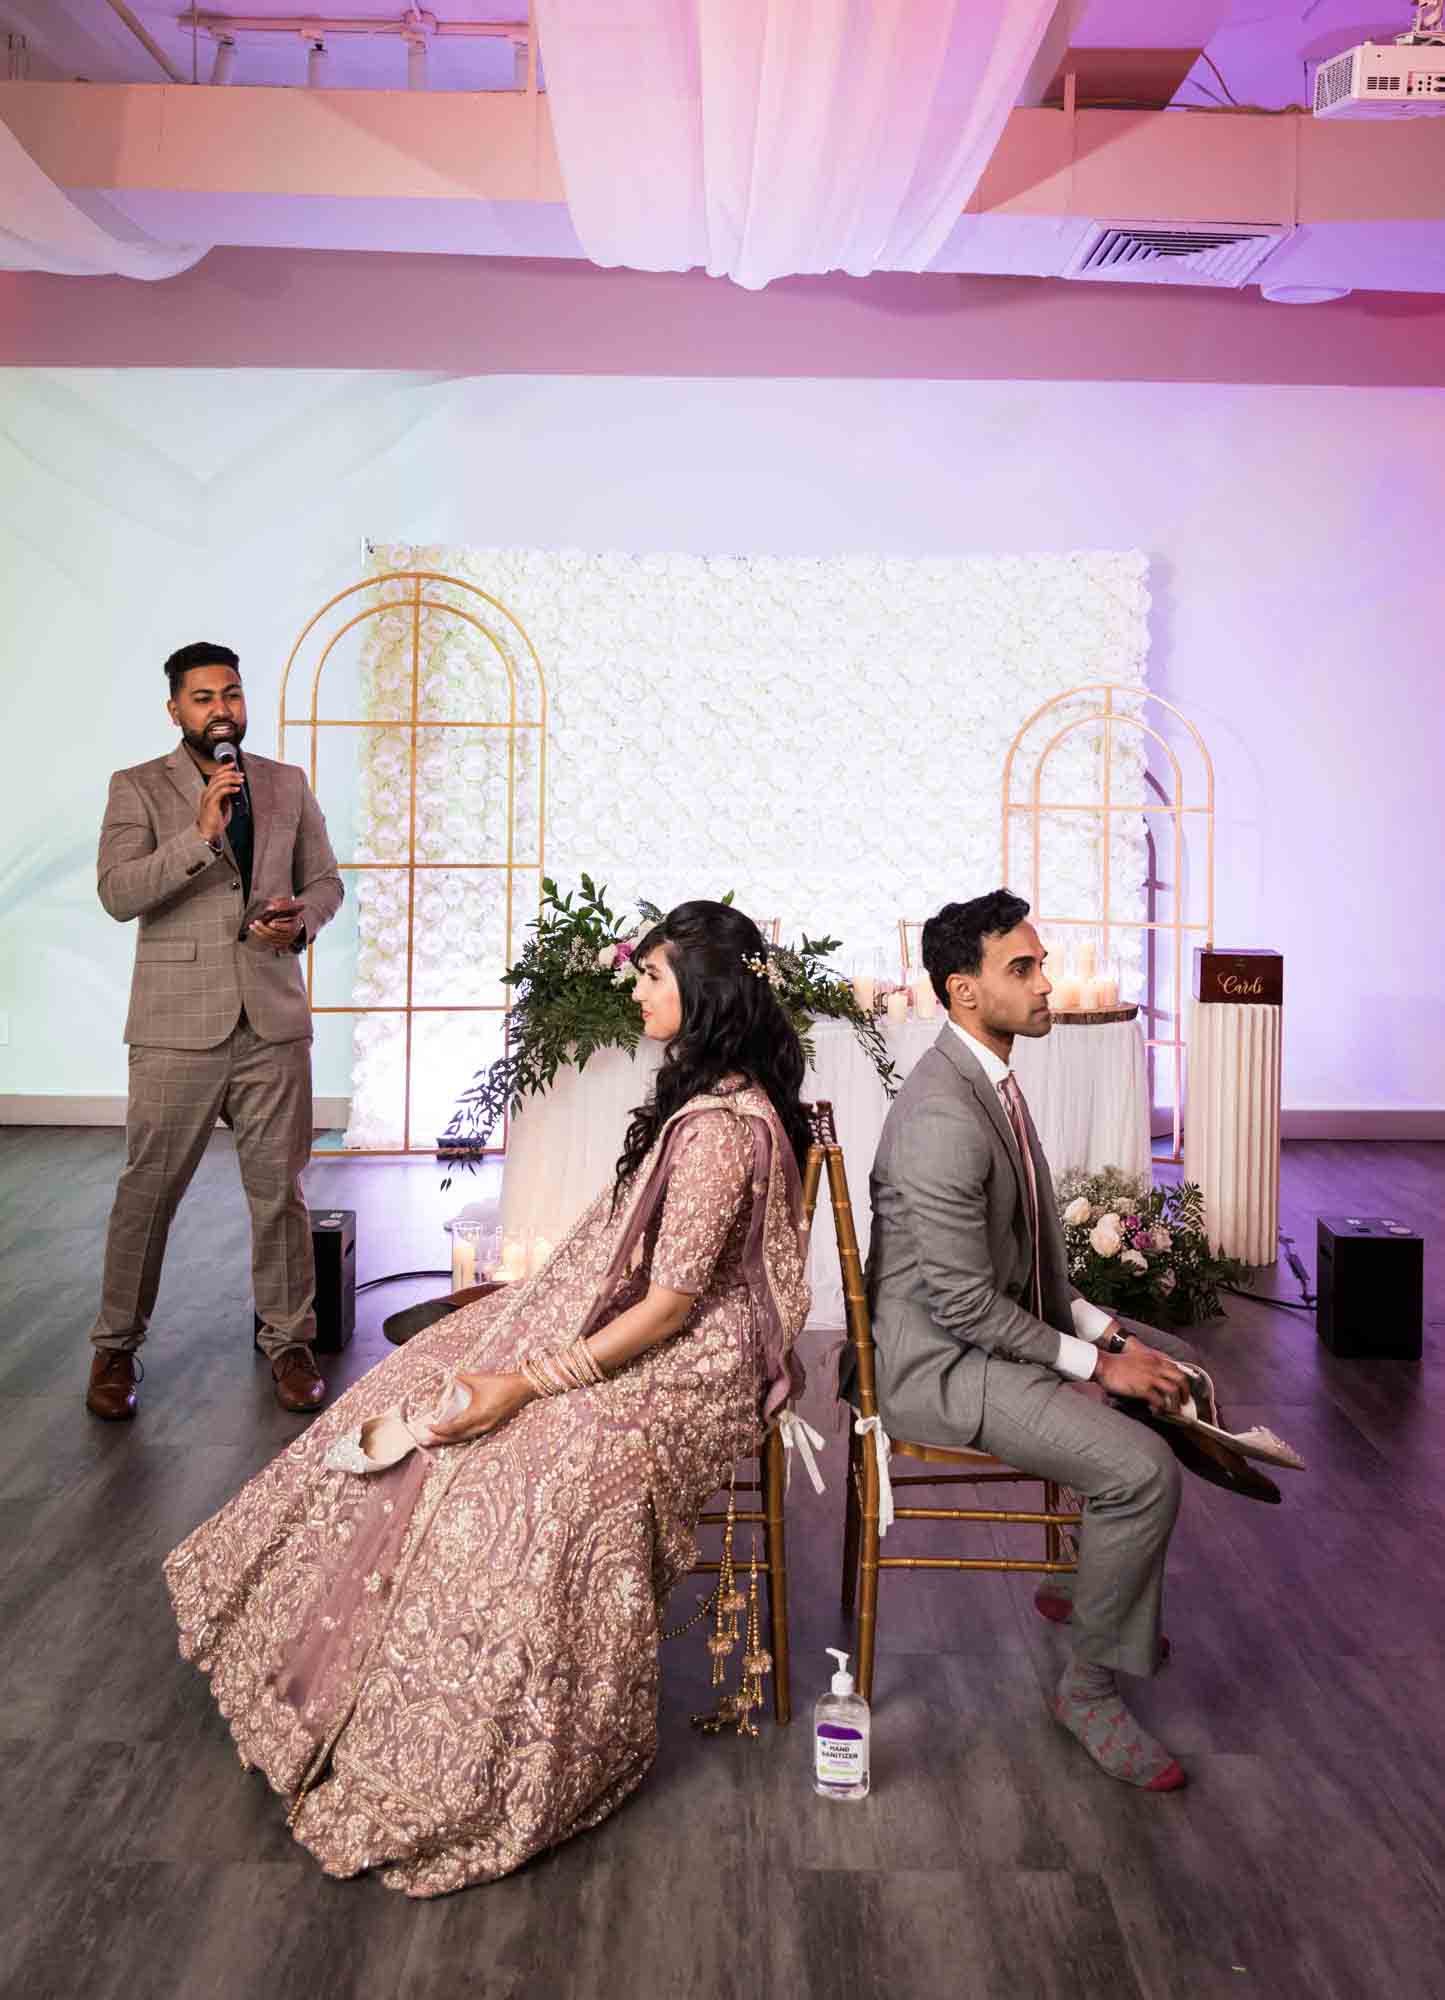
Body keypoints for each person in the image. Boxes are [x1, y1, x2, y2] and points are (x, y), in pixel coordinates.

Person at [163, 901, 812, 1897]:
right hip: (633, 1319)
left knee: (525, 1476)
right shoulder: (705, 1090)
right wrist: (522, 1341)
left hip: (689, 1354)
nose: (635, 990)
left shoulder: (724, 1129)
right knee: (411, 1383)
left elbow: (675, 1306)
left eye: (652, 977)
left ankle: (464, 1754)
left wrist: (527, 1378)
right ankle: (318, 1675)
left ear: (709, 992)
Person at [860, 889, 1212, 1793]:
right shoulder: (943, 1115)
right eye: (1023, 968)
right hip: (939, 1366)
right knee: (1141, 1473)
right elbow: (969, 1310)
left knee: (1188, 1375)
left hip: (984, 1335)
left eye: (1040, 962)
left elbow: (1038, 1271)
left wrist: (1120, 1335)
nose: (1047, 982)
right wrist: (1100, 1363)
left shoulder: (990, 1079)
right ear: (963, 991)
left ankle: (1094, 1580)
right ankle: (1087, 1692)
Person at [85, 641, 343, 1421]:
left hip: (271, 1020)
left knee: (279, 1196)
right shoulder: (136, 787)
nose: (220, 709)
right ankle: (115, 1349)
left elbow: (325, 881)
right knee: (148, 1193)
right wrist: (198, 837)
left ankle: (289, 1343)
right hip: (174, 1026)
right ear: (175, 710)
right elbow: (118, 893)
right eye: (202, 698)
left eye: (230, 693)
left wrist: (297, 927)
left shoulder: (284, 783)